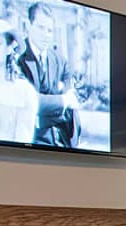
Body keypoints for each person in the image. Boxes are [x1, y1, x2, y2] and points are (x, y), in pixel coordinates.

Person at [17, 2, 80, 147]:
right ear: (28, 25)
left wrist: (42, 115)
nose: (46, 35)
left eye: (50, 30)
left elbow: (71, 110)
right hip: (27, 145)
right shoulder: (17, 59)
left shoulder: (60, 60)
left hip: (60, 143)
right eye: (41, 28)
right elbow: (31, 102)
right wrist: (63, 101)